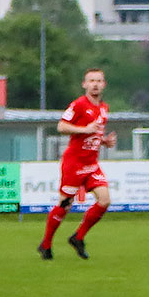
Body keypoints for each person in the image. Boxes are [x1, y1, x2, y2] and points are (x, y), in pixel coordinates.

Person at [39, 67, 114, 260]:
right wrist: (85, 128)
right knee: (65, 205)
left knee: (104, 200)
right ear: (85, 84)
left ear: (104, 84)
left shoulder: (104, 107)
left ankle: (78, 237)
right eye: (91, 81)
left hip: (91, 163)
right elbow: (61, 126)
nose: (95, 84)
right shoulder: (79, 105)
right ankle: (46, 244)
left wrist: (104, 140)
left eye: (99, 81)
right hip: (74, 163)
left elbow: (94, 132)